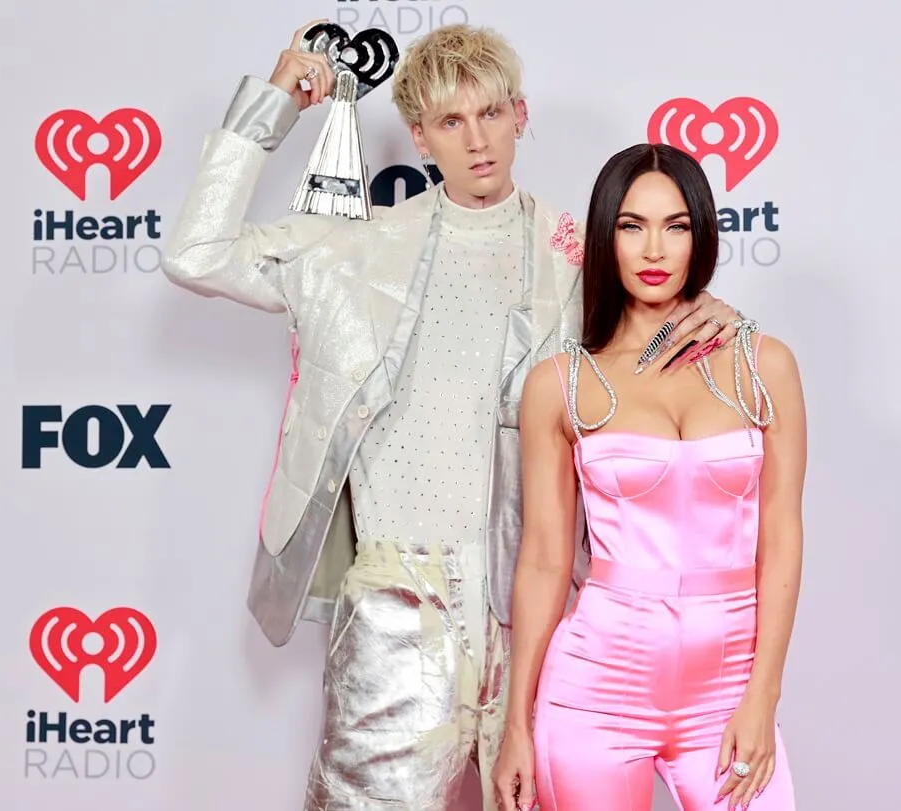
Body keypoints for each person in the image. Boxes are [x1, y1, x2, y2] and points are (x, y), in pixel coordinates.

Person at [161, 20, 750, 811]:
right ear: (419, 134)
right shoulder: (353, 249)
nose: (477, 141)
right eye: (450, 121)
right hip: (398, 607)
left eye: (492, 114)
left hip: (546, 614)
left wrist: (706, 310)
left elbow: (659, 325)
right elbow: (195, 253)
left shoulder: (578, 258)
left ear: (521, 115)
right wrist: (272, 106)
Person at [493, 143, 806, 811]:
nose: (654, 249)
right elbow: (546, 562)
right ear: (606, 236)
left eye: (677, 225)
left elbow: (780, 540)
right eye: (632, 226)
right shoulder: (561, 385)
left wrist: (763, 695)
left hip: (727, 691)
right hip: (593, 693)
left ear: (702, 233)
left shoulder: (765, 366)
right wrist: (516, 727)